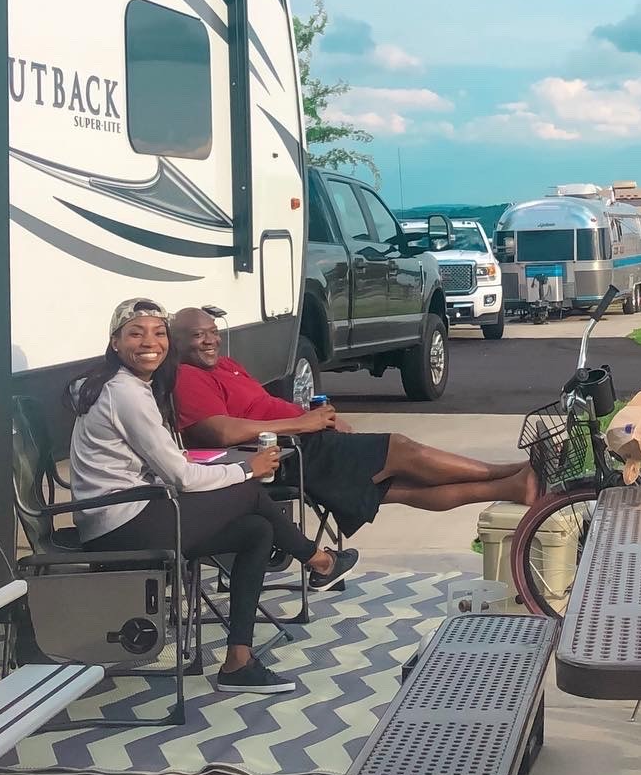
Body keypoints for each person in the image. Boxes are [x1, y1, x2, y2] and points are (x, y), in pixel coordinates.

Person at [69, 298, 359, 696]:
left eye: (158, 333)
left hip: (134, 509)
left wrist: (211, 467)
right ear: (115, 343)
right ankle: (319, 561)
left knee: (256, 531)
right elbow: (182, 478)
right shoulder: (126, 394)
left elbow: (164, 464)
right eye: (136, 334)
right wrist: (247, 468)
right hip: (119, 523)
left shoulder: (124, 385)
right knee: (249, 492)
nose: (149, 342)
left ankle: (238, 662)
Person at [168, 307, 537, 537]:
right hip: (284, 456)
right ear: (177, 342)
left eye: (213, 332)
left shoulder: (226, 365)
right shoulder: (188, 376)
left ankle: (513, 487)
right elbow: (221, 432)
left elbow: (264, 406)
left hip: (305, 441)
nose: (210, 341)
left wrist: (320, 419)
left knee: (401, 488)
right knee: (400, 450)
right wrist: (303, 424)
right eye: (198, 335)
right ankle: (505, 473)